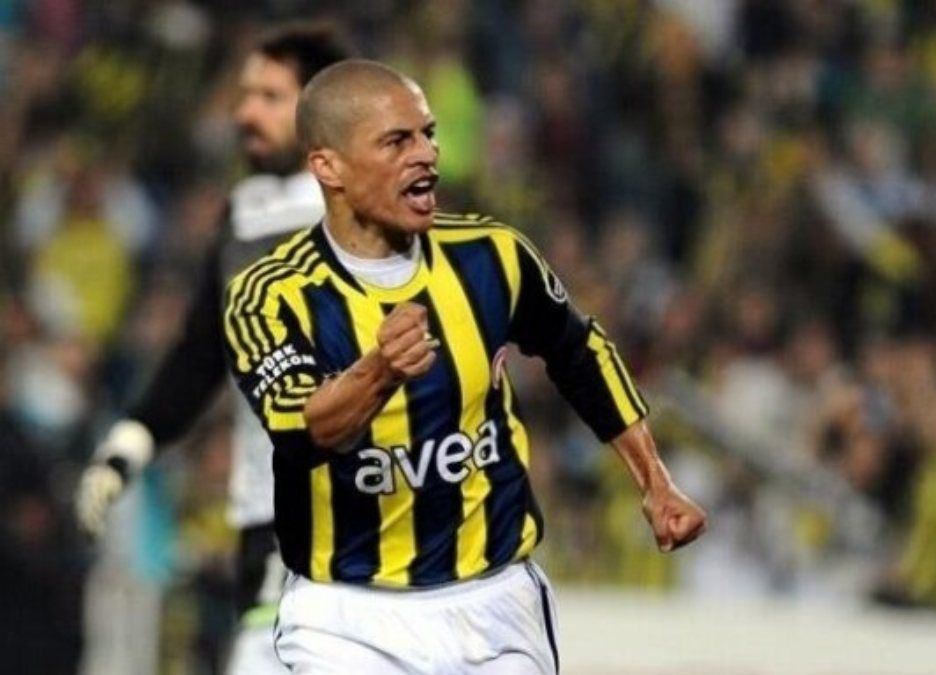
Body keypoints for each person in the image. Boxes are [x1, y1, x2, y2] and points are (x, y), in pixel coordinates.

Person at [221, 59, 707, 673]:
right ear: (328, 166)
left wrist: (655, 482)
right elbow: (302, 429)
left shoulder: (492, 256)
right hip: (345, 617)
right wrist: (380, 372)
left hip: (495, 603)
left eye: (427, 134)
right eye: (397, 141)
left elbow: (580, 354)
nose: (426, 154)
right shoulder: (269, 295)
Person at [73, 24, 350, 674]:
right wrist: (131, 442)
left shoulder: (367, 214)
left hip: (357, 514)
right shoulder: (245, 212)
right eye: (245, 94)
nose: (245, 111)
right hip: (265, 515)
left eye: (269, 96)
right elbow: (202, 349)